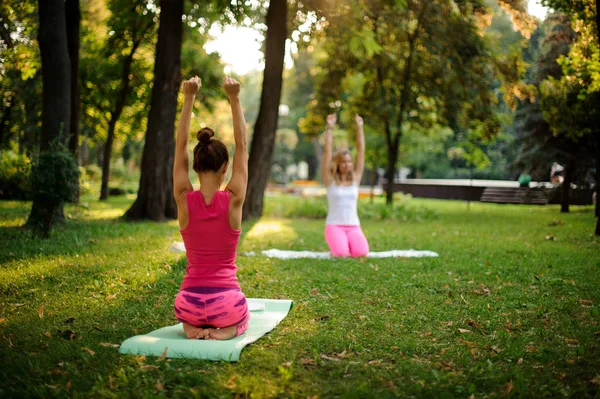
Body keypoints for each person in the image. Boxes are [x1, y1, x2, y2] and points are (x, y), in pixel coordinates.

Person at [172, 76, 249, 340]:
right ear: (225, 168)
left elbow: (180, 145)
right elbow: (243, 147)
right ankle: (228, 330)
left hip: (188, 303)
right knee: (243, 314)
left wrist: (189, 97)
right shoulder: (234, 198)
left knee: (188, 311)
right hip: (226, 304)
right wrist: (234, 97)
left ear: (194, 166)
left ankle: (191, 327)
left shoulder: (183, 197)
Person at [321, 113, 369, 258]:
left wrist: (359, 127)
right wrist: (330, 127)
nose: (347, 164)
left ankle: (348, 243)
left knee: (361, 253)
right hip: (334, 226)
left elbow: (361, 150)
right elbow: (328, 151)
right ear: (337, 163)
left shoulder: (356, 178)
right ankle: (340, 244)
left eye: (349, 161)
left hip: (354, 226)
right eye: (343, 161)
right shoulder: (329, 180)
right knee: (341, 254)